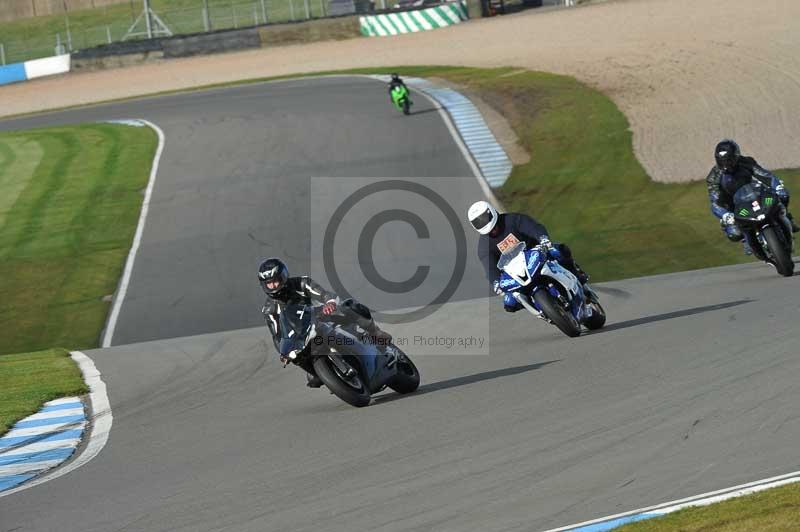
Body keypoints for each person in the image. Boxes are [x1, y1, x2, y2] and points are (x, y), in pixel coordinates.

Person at [258, 258, 392, 388]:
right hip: (303, 336)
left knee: (350, 306)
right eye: (269, 283)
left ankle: (376, 332)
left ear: (284, 277)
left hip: (323, 315)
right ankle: (319, 373)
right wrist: (284, 352)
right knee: (296, 359)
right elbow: (277, 336)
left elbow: (324, 294)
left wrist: (329, 302)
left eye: (276, 281)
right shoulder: (269, 310)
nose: (274, 286)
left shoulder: (301, 283)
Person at [467, 201, 590, 313]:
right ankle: (542, 311)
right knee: (509, 303)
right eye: (478, 222)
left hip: (536, 253)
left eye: (484, 218)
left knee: (559, 250)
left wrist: (543, 238)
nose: (486, 225)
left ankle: (578, 275)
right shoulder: (483, 246)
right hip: (515, 271)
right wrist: (495, 282)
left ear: (491, 211)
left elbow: (533, 227)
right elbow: (489, 267)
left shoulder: (512, 219)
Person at [706, 139, 799, 255]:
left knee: (783, 195)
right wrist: (725, 214)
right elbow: (714, 199)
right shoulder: (713, 177)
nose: (726, 164)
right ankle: (746, 239)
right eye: (722, 161)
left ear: (736, 156)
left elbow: (764, 175)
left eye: (729, 160)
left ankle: (786, 216)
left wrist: (778, 187)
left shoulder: (746, 162)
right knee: (734, 233)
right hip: (734, 205)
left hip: (754, 193)